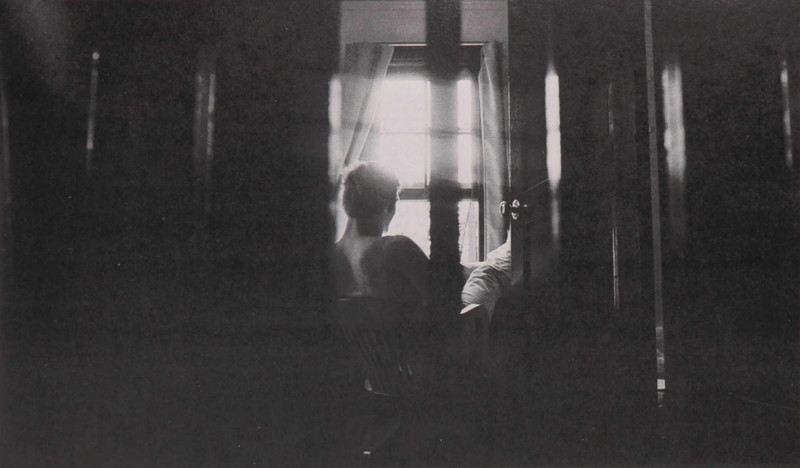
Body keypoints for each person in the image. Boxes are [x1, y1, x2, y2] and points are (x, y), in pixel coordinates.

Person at [334, 161, 429, 311]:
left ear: (347, 202)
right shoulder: (399, 248)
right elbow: (447, 303)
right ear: (387, 208)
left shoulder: (326, 257)